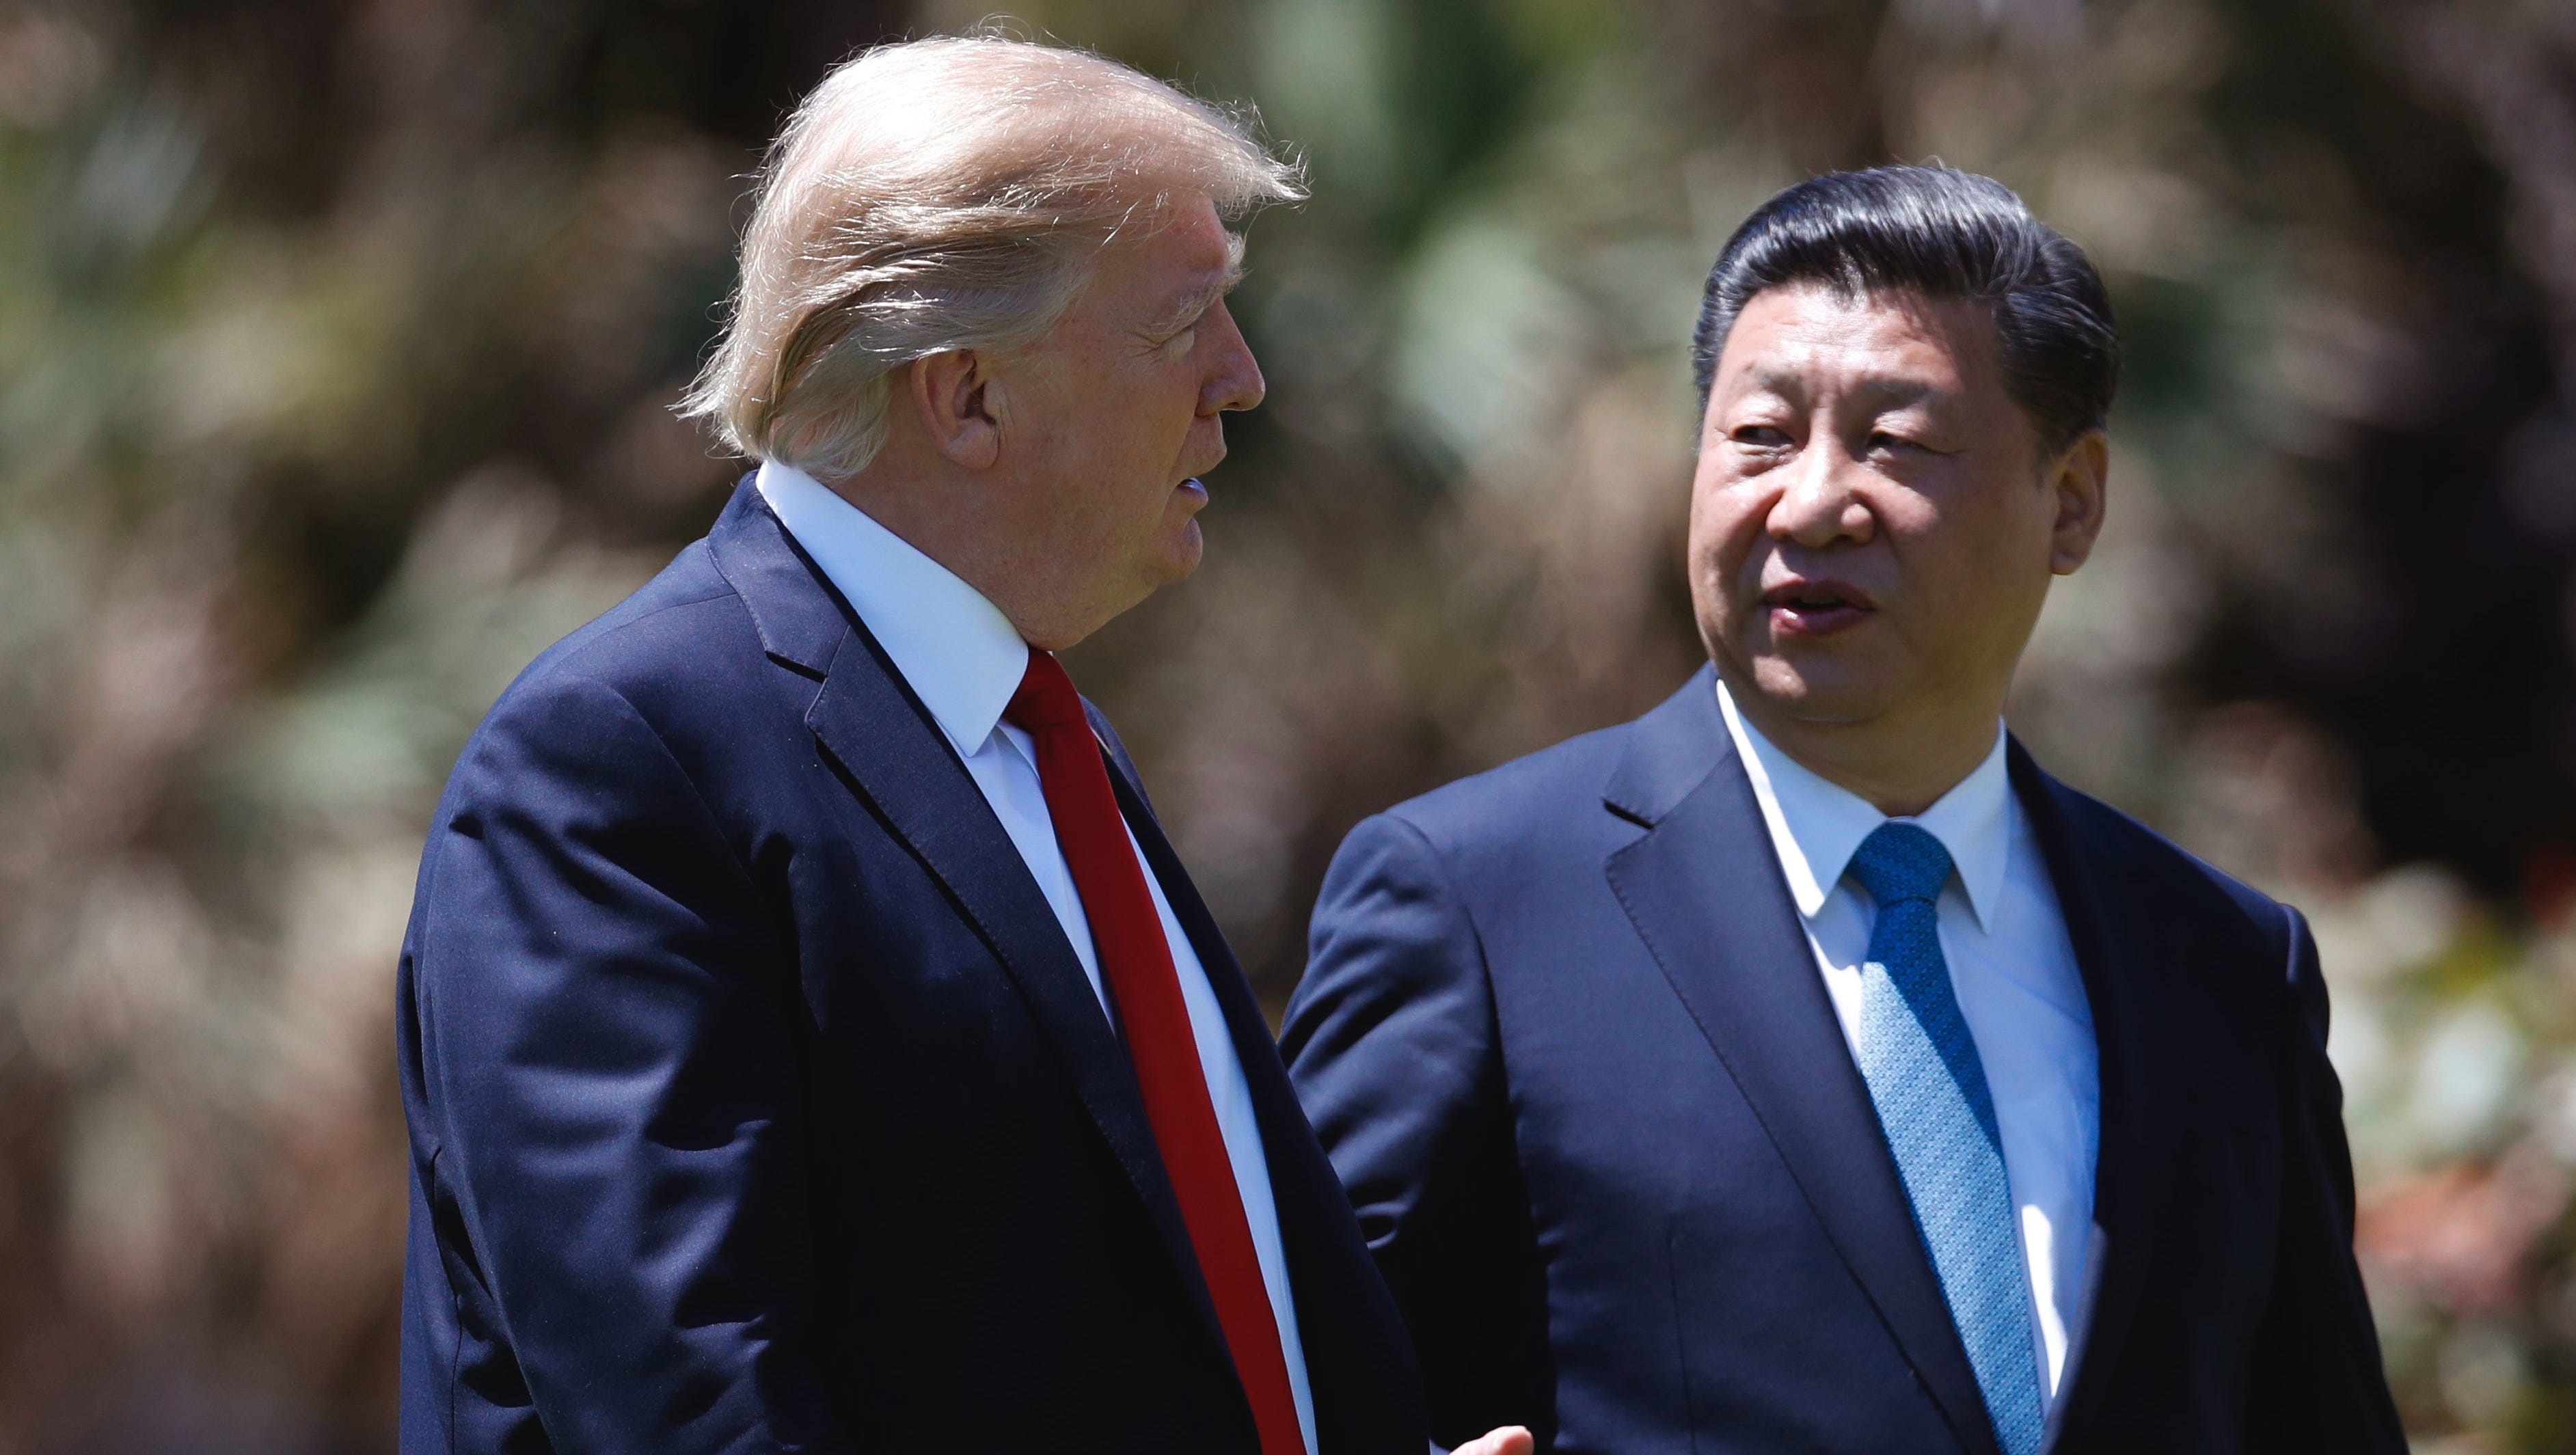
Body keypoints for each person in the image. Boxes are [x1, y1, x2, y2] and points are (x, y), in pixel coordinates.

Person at [394, 36, 1528, 1455]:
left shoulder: (1044, 743)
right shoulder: (616, 768)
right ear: (967, 394)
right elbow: (691, 1414)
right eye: (1183, 326)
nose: (1240, 381)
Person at [1282, 165, 2405, 1454]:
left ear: (2073, 503)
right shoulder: (1476, 903)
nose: (1810, 502)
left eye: (1896, 443)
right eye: (1758, 435)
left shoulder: (2218, 962)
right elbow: (1281, 1380)